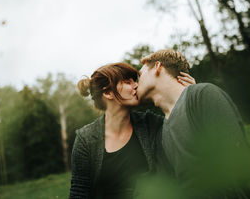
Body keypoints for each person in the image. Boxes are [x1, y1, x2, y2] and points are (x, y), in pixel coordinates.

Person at [69, 62, 195, 199]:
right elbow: (79, 192)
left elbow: (185, 134)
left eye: (135, 80)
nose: (136, 85)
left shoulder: (150, 123)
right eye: (128, 82)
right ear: (108, 92)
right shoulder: (86, 139)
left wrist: (189, 96)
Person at [136, 49, 248, 197]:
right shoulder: (160, 133)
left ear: (158, 67)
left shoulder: (203, 95)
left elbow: (238, 164)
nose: (135, 84)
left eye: (140, 75)